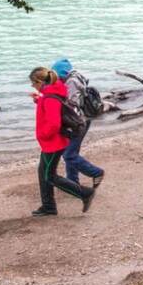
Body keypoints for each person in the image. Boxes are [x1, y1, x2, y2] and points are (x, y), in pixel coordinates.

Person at [30, 68, 95, 216]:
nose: (32, 86)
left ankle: (85, 193)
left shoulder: (50, 98)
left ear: (40, 82)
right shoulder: (51, 94)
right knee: (43, 173)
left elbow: (54, 123)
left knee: (49, 176)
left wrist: (43, 134)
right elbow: (52, 108)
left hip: (53, 143)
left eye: (33, 83)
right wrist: (39, 100)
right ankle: (48, 206)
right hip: (51, 143)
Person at [50, 59, 104, 189]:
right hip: (82, 120)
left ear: (60, 72)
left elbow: (72, 104)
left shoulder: (72, 82)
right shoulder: (76, 77)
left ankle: (96, 172)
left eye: (55, 73)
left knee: (69, 154)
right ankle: (72, 182)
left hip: (78, 122)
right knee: (72, 152)